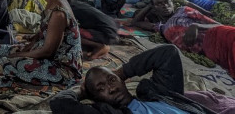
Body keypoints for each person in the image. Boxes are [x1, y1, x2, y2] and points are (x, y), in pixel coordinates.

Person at [50, 45, 235, 114]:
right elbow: (59, 103)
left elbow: (167, 53)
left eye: (111, 80)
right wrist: (83, 91)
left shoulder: (157, 92)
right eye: (101, 88)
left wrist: (122, 72)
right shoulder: (106, 112)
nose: (111, 88)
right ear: (95, 98)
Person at [131, 0, 235, 78]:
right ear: (153, 8)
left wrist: (197, 26)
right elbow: (136, 22)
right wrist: (149, 5)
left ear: (172, 3)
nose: (164, 5)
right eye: (159, 4)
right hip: (211, 51)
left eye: (167, 2)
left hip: (220, 36)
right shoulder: (161, 27)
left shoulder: (183, 10)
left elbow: (218, 25)